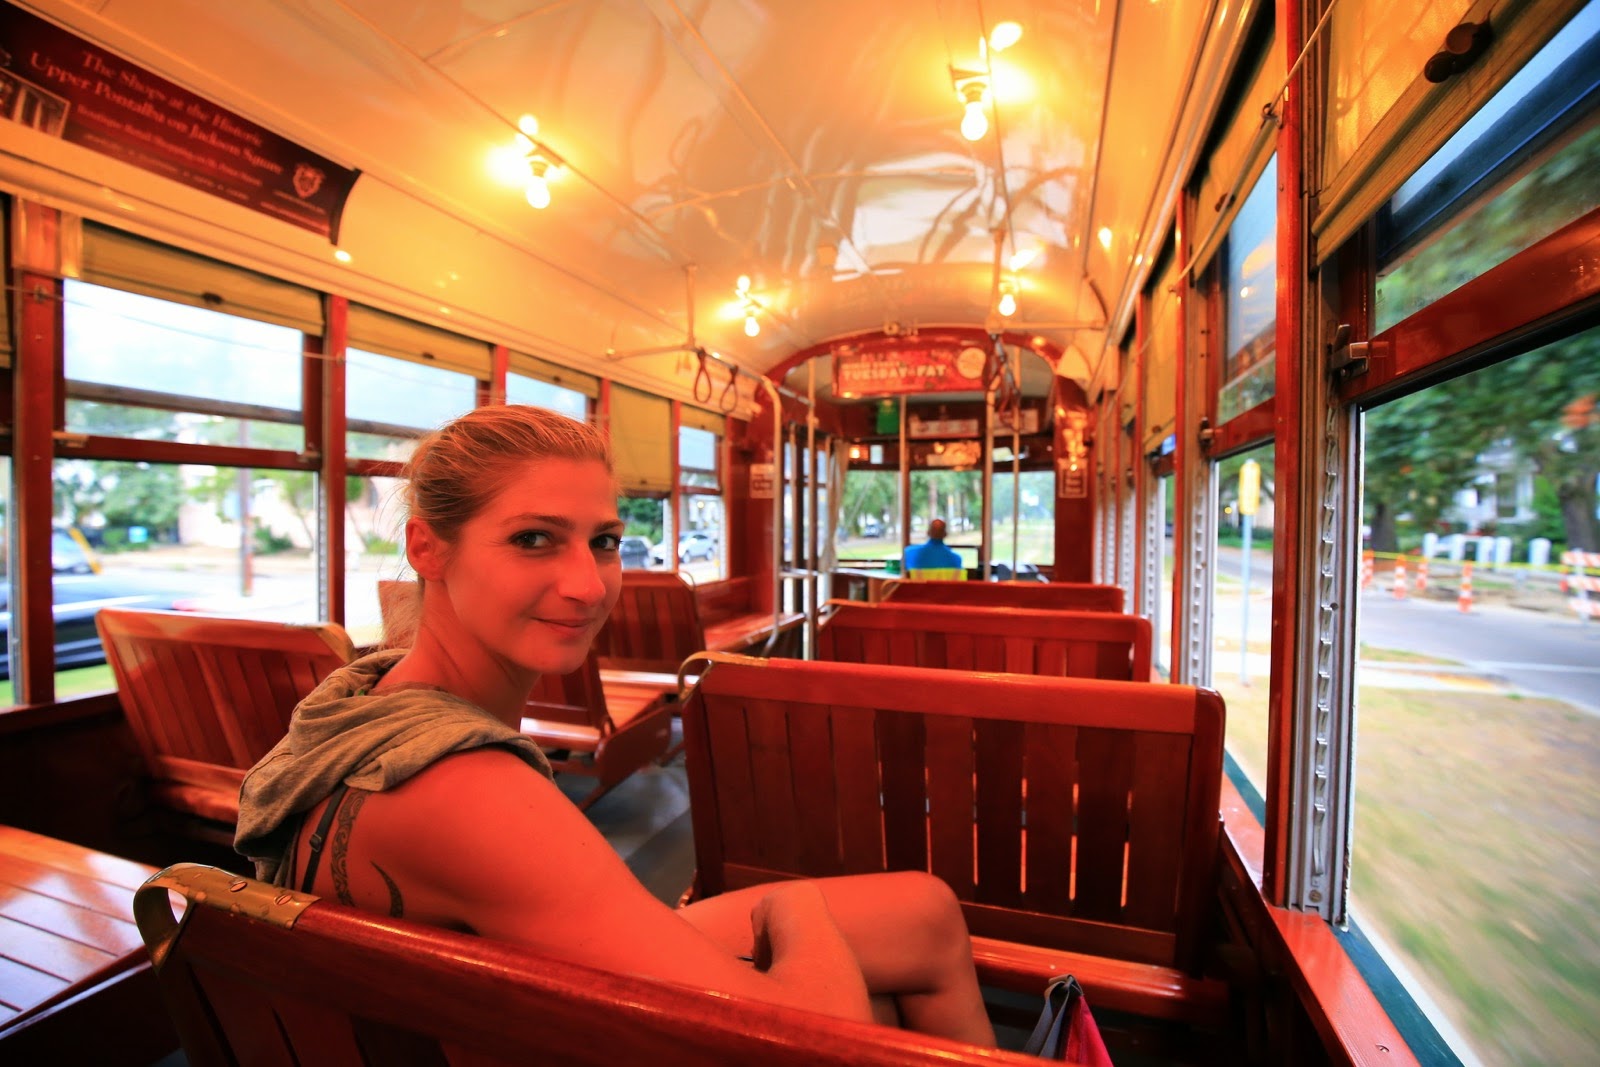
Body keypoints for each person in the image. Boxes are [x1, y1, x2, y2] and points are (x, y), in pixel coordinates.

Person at [235, 404, 994, 1047]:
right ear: (427, 547)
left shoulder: (361, 698)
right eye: (533, 538)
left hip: (471, 1003)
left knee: (925, 912)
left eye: (602, 541)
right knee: (877, 1002)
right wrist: (789, 902)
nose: (588, 585)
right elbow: (817, 1039)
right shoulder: (469, 791)